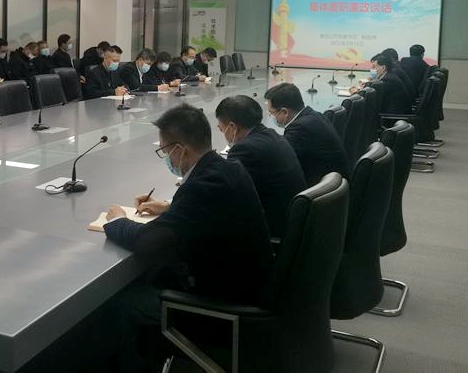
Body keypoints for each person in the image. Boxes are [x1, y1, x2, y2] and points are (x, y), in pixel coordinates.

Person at [102, 105, 273, 369]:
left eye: (164, 151)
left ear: (179, 150)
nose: (166, 158)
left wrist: (117, 221)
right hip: (250, 286)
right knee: (157, 275)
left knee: (123, 303)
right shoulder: (227, 167)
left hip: (225, 307)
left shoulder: (203, 185)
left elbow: (149, 242)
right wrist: (170, 208)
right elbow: (204, 213)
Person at [215, 95, 307, 239]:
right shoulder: (271, 135)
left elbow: (228, 197)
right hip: (294, 225)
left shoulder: (245, 150)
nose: (223, 134)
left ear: (232, 127)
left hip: (274, 234)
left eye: (222, 129)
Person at [264, 82, 350, 186]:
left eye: (272, 113)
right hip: (336, 185)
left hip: (323, 189)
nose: (272, 117)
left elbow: (278, 158)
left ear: (285, 112)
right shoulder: (314, 116)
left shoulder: (299, 128)